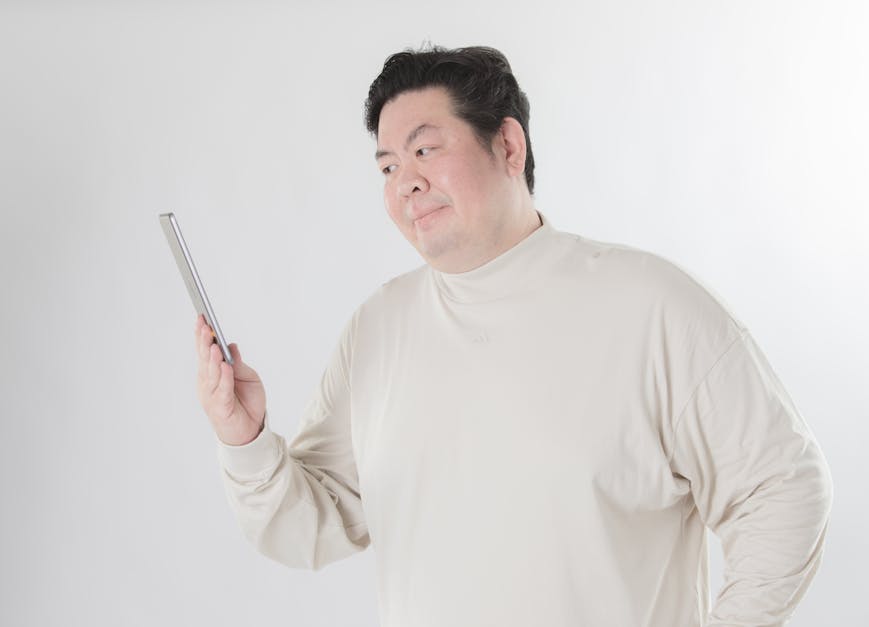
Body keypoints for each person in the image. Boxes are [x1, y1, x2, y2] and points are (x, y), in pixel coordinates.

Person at [195, 45, 832, 627]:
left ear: (507, 145)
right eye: (387, 166)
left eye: (424, 150)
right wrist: (244, 438)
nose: (404, 182)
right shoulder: (378, 329)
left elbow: (783, 484)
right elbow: (311, 524)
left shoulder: (651, 306)